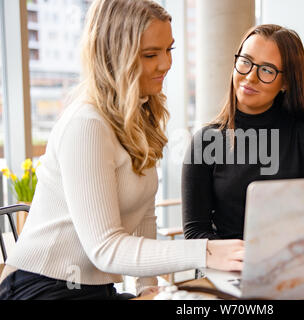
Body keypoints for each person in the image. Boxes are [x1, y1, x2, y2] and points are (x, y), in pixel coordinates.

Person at [0, 0, 243, 300]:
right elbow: (105, 248)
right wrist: (205, 252)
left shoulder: (140, 115)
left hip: (94, 290)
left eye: (169, 50)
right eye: (151, 54)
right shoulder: (86, 124)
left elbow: (143, 216)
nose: (166, 64)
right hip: (39, 288)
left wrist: (149, 289)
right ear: (115, 56)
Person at [182, 24, 304, 241]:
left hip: (288, 260)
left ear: (286, 82)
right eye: (245, 61)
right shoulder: (205, 141)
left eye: (267, 70)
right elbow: (195, 233)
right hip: (225, 264)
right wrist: (244, 257)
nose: (250, 77)